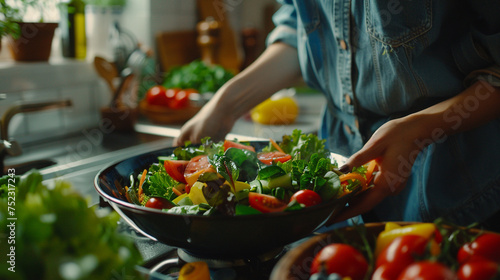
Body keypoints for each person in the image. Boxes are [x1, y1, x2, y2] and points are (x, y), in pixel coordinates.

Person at [175, 1, 500, 231]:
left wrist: (422, 129)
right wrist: (225, 104)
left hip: (459, 195)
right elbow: (299, 29)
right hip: (338, 186)